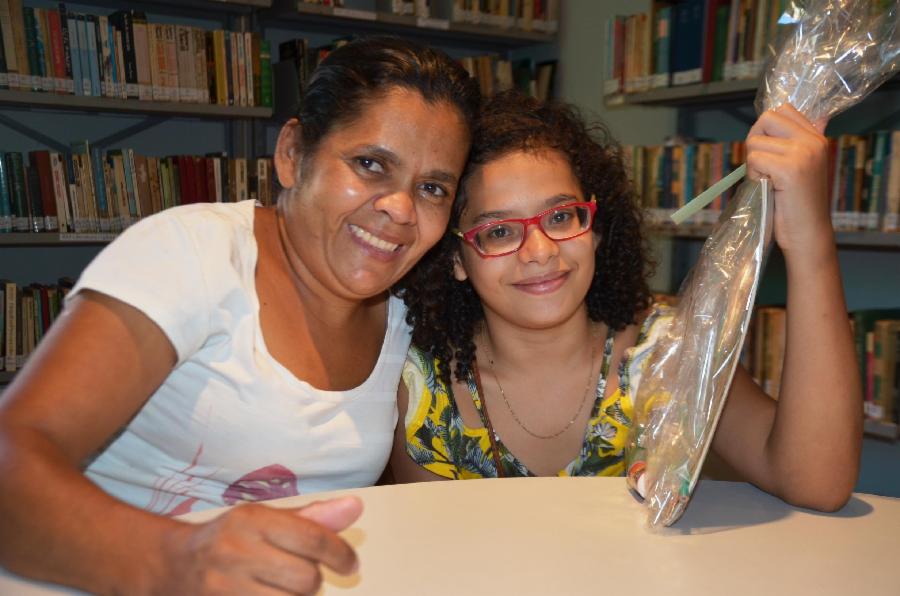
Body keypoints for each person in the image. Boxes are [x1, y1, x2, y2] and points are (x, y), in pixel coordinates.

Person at [0, 37, 479, 594]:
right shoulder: (192, 254)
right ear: (293, 153)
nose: (400, 208)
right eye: (370, 164)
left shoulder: (408, 311)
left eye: (431, 188)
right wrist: (175, 559)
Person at [390, 90, 862, 512]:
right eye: (498, 231)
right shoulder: (420, 388)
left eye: (560, 216)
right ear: (456, 257)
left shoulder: (669, 354)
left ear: (595, 229)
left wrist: (809, 239)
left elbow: (816, 483)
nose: (540, 251)